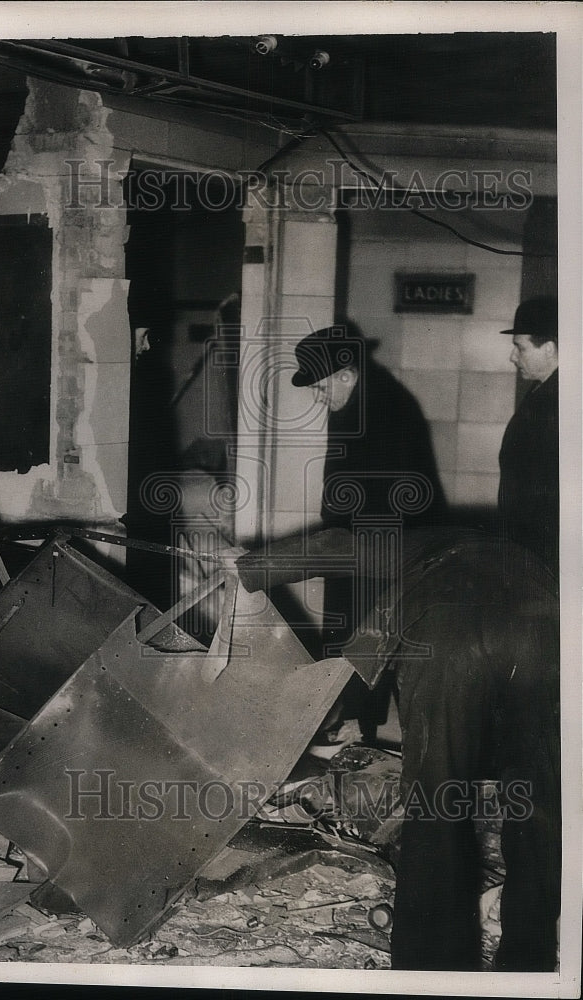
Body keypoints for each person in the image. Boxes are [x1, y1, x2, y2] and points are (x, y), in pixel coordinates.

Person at [236, 524, 560, 971]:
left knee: (436, 801)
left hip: (447, 637)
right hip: (545, 638)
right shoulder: (538, 559)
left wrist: (247, 568)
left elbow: (340, 546)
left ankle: (431, 966)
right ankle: (531, 961)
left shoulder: (437, 542)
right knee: (538, 801)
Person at [290, 325, 447, 742]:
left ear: (346, 373)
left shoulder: (383, 408)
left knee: (366, 636)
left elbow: (391, 498)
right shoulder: (359, 401)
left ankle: (356, 727)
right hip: (360, 547)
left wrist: (338, 546)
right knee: (357, 636)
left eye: (322, 388)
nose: (318, 397)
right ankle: (355, 722)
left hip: (380, 550)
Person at [498, 297, 559, 574]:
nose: (513, 356)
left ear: (549, 349)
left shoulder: (558, 400)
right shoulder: (542, 390)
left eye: (519, 347)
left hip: (543, 555)